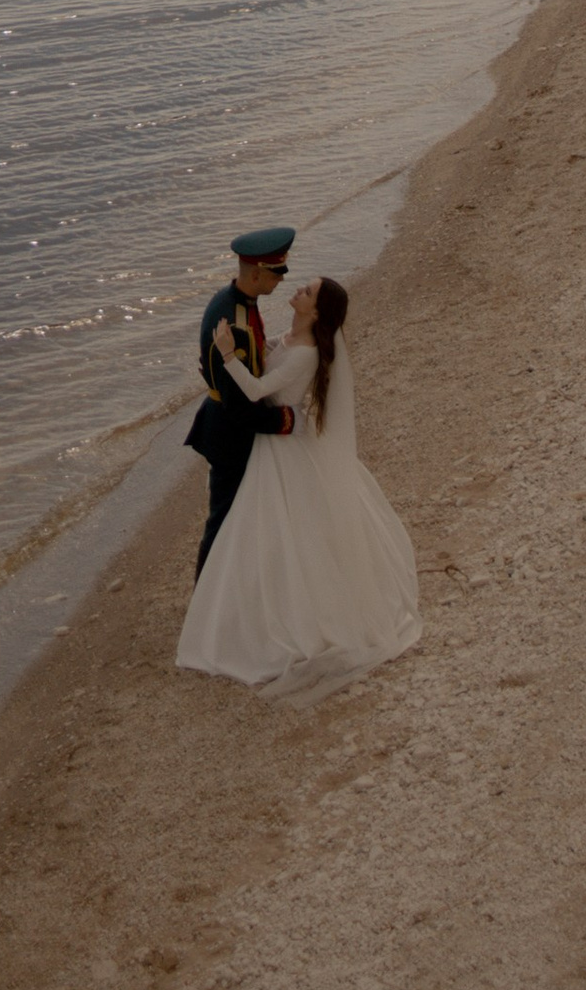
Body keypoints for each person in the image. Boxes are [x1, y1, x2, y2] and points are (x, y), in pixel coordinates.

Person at [174, 273, 420, 687]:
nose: (299, 290)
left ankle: (279, 614)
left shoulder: (306, 354)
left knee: (280, 529)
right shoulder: (291, 340)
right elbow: (271, 357)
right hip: (273, 444)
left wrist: (227, 356)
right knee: (266, 528)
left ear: (317, 311)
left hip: (281, 452)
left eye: (308, 292)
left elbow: (256, 390)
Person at [185, 225, 299, 577]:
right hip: (229, 432)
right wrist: (284, 420)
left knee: (236, 514)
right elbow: (236, 406)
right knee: (223, 518)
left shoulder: (237, 302)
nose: (280, 281)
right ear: (255, 273)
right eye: (276, 274)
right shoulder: (235, 323)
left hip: (226, 422)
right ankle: (205, 597)